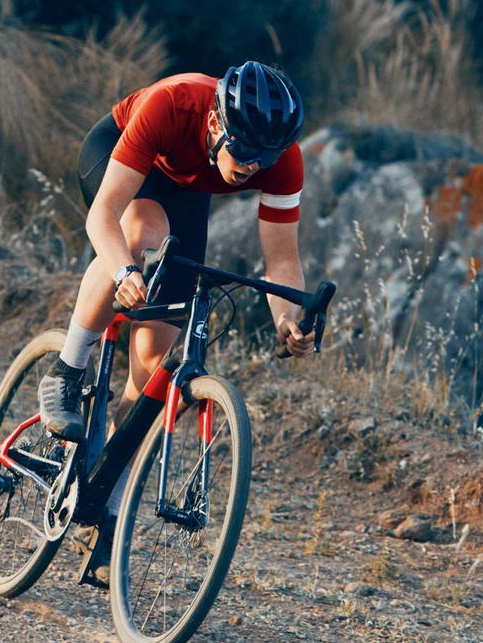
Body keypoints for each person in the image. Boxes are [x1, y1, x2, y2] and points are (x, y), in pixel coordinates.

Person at [39, 61, 316, 585]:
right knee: (140, 230)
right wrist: (123, 268)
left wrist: (287, 322)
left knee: (150, 369)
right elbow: (103, 214)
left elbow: (281, 261)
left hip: (188, 192)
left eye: (267, 159)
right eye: (247, 152)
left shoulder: (281, 158)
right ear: (216, 125)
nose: (255, 167)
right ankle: (67, 369)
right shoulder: (174, 103)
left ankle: (108, 514)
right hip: (123, 157)